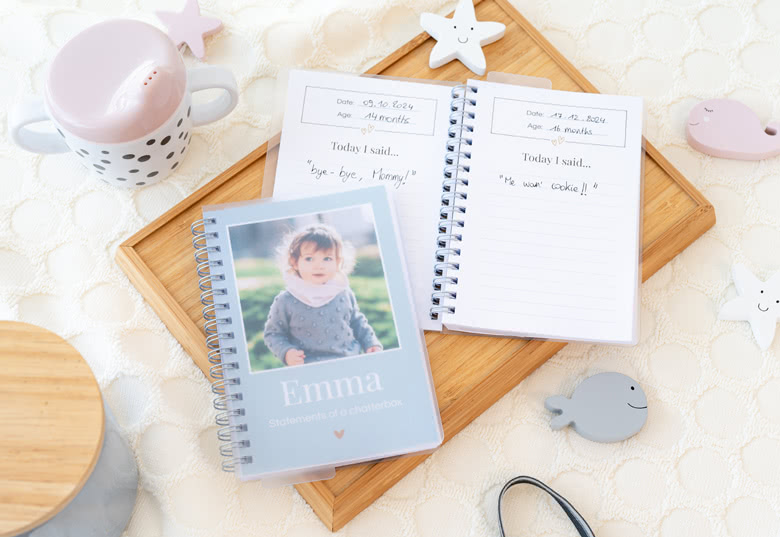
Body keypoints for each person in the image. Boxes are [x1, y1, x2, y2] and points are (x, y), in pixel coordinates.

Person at [263, 224, 382, 366]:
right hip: (310, 368)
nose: (319, 265)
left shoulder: (343, 292)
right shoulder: (286, 300)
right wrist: (286, 352)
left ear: (338, 262)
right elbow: (273, 334)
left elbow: (357, 322)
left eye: (327, 259)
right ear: (294, 262)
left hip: (350, 361)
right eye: (309, 259)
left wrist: (371, 343)